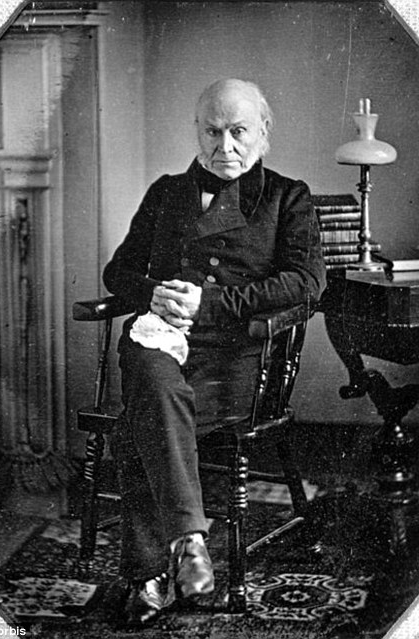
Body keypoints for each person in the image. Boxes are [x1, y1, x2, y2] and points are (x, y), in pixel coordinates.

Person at [103, 78, 326, 624]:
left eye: (238, 131)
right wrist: (151, 293)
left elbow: (307, 282)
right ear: (197, 132)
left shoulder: (287, 196)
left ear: (263, 132)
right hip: (160, 342)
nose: (225, 146)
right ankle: (190, 543)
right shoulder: (165, 192)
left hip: (236, 357)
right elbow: (118, 271)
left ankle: (150, 575)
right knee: (152, 384)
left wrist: (210, 304)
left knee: (144, 416)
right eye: (213, 131)